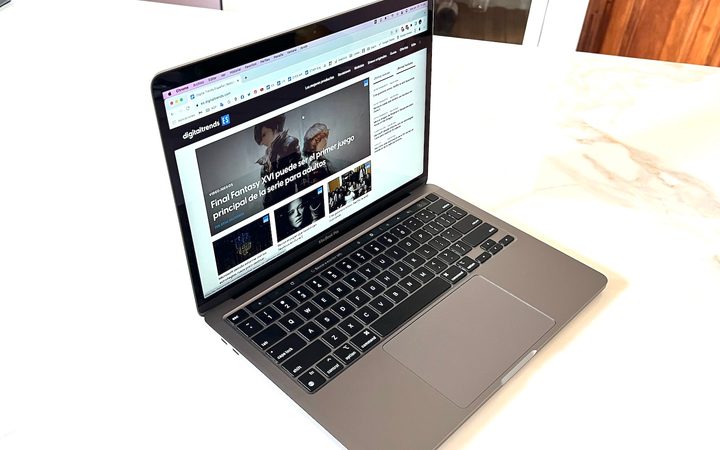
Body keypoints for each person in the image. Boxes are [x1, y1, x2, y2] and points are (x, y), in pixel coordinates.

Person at [254, 114, 302, 208]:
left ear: (275, 127)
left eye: (264, 135)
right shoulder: (268, 153)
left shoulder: (289, 144)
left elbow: (299, 174)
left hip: (290, 203)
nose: (262, 142)